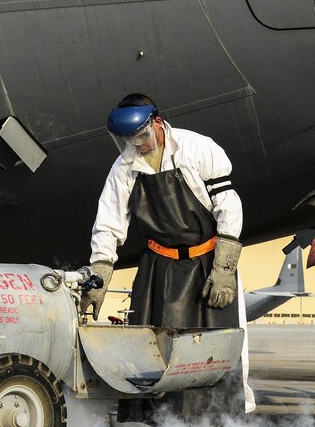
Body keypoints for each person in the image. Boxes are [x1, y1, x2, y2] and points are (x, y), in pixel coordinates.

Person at [84, 94, 243, 330]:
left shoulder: (197, 147)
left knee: (214, 342)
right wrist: (99, 273)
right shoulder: (123, 168)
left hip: (208, 263)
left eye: (141, 136)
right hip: (158, 268)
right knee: (152, 340)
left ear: (157, 122)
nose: (137, 144)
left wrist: (224, 268)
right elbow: (108, 223)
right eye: (129, 139)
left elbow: (228, 204)